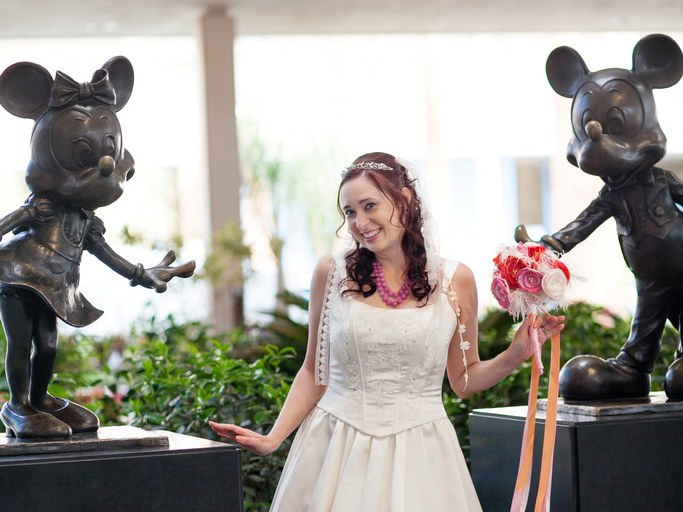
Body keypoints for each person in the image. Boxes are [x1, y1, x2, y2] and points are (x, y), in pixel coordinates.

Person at [210, 151, 565, 511]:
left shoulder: (455, 280)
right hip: (335, 449)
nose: (359, 222)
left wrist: (514, 355)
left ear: (405, 201)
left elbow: (464, 380)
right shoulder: (330, 274)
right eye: (349, 212)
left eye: (369, 206)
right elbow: (313, 372)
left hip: (421, 455)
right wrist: (273, 439)